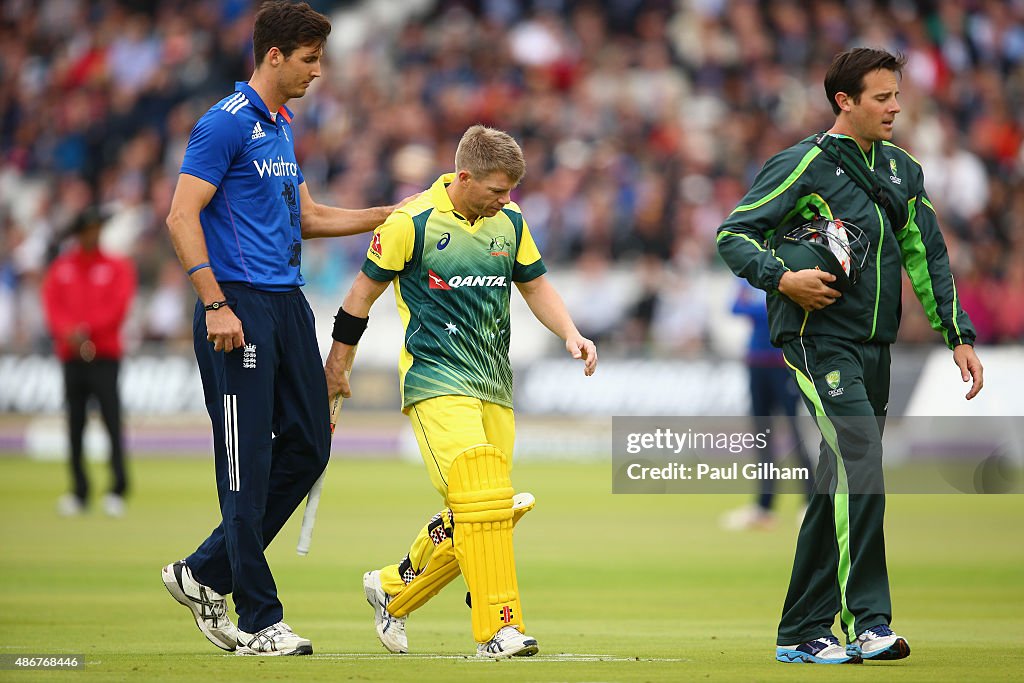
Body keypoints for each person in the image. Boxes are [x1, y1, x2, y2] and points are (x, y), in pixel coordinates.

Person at [716, 48, 983, 665]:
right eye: (882, 97)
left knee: (842, 478)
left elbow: (928, 255)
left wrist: (957, 334)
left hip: (876, 347)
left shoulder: (902, 170)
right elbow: (734, 234)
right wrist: (783, 278)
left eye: (896, 95)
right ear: (846, 101)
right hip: (817, 340)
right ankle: (869, 622)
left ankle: (800, 633)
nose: (895, 106)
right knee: (861, 459)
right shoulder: (802, 163)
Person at [161, 1, 406, 657]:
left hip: (286, 303)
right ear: (274, 56)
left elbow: (310, 217)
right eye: (309, 58)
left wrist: (391, 214)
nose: (318, 71)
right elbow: (182, 216)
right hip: (236, 305)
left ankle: (203, 571)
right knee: (247, 467)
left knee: (310, 445)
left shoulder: (281, 128)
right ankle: (259, 615)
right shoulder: (224, 124)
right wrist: (214, 303)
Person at [324, 124, 598, 658]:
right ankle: (499, 629)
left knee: (483, 513)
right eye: (497, 189)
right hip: (435, 381)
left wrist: (571, 332)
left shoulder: (510, 221)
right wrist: (338, 362)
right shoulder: (412, 222)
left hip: (494, 384)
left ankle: (394, 588)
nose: (507, 200)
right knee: (484, 498)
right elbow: (361, 294)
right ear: (464, 177)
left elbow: (535, 284)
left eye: (512, 190)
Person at [41, 206, 136, 518]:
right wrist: (68, 332)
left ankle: (117, 488)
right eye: (88, 229)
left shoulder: (116, 266)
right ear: (79, 233)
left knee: (111, 421)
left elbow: (119, 307)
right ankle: (79, 491)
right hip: (72, 357)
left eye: (97, 228)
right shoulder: (62, 267)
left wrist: (85, 331)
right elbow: (52, 306)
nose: (94, 234)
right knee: (75, 424)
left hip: (104, 355)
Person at [720, 281, 813, 531]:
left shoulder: (785, 273)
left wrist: (760, 307)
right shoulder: (750, 276)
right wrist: (767, 305)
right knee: (762, 436)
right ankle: (764, 507)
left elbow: (785, 307)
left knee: (794, 433)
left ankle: (812, 502)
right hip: (756, 361)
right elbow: (735, 307)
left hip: (784, 362)